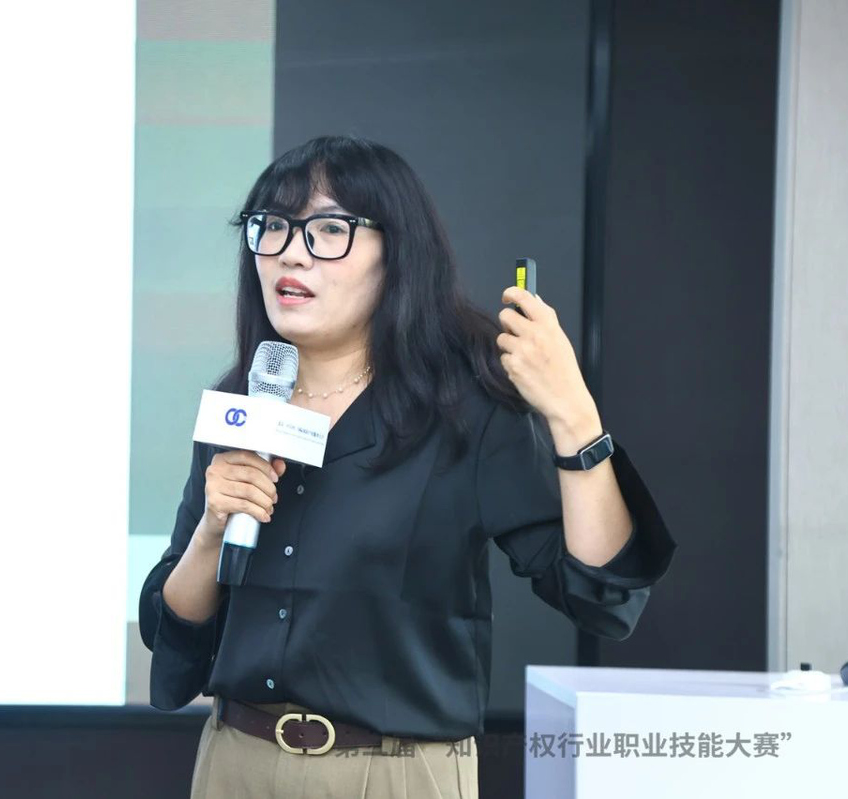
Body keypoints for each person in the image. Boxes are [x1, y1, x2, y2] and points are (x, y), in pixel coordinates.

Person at [138, 135, 676, 799]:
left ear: (397, 253)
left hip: (393, 772)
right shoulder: (241, 402)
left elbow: (600, 597)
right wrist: (210, 534)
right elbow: (175, 639)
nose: (289, 251)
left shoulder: (465, 412)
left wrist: (574, 416)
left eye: (328, 229)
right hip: (236, 763)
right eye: (271, 226)